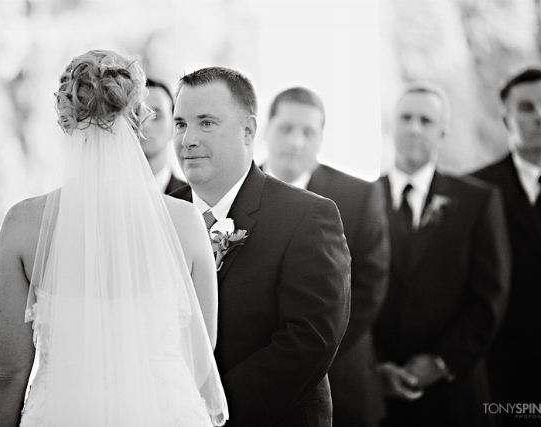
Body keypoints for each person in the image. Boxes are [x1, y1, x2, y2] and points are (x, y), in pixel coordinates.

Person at [0, 50, 228, 427]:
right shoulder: (185, 222)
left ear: (64, 119)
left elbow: (7, 372)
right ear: (140, 117)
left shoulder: (23, 224)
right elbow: (201, 352)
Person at [170, 67, 351, 426]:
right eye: (180, 124)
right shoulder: (160, 216)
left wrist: (210, 411)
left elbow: (310, 339)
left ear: (248, 131)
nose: (187, 139)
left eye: (206, 123)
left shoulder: (307, 216)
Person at [373, 82, 510, 426]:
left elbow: (491, 295)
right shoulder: (361, 200)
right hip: (377, 396)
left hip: (454, 395)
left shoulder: (478, 201)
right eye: (406, 118)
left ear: (443, 133)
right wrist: (374, 365)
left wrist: (440, 362)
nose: (414, 128)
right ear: (391, 125)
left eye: (426, 120)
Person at [263, 87, 389, 427]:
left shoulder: (359, 197)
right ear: (265, 129)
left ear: (321, 139)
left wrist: (310, 353)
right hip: (252, 383)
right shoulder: (237, 191)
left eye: (308, 132)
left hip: (341, 380)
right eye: (286, 128)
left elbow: (369, 288)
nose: (296, 142)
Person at [471, 66, 541, 426]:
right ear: (507, 121)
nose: (540, 117)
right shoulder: (478, 192)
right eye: (526, 108)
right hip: (513, 379)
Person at [139, 77, 186, 193]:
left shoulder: (193, 199)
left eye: (155, 116)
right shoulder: (103, 195)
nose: (144, 125)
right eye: (135, 115)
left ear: (175, 126)